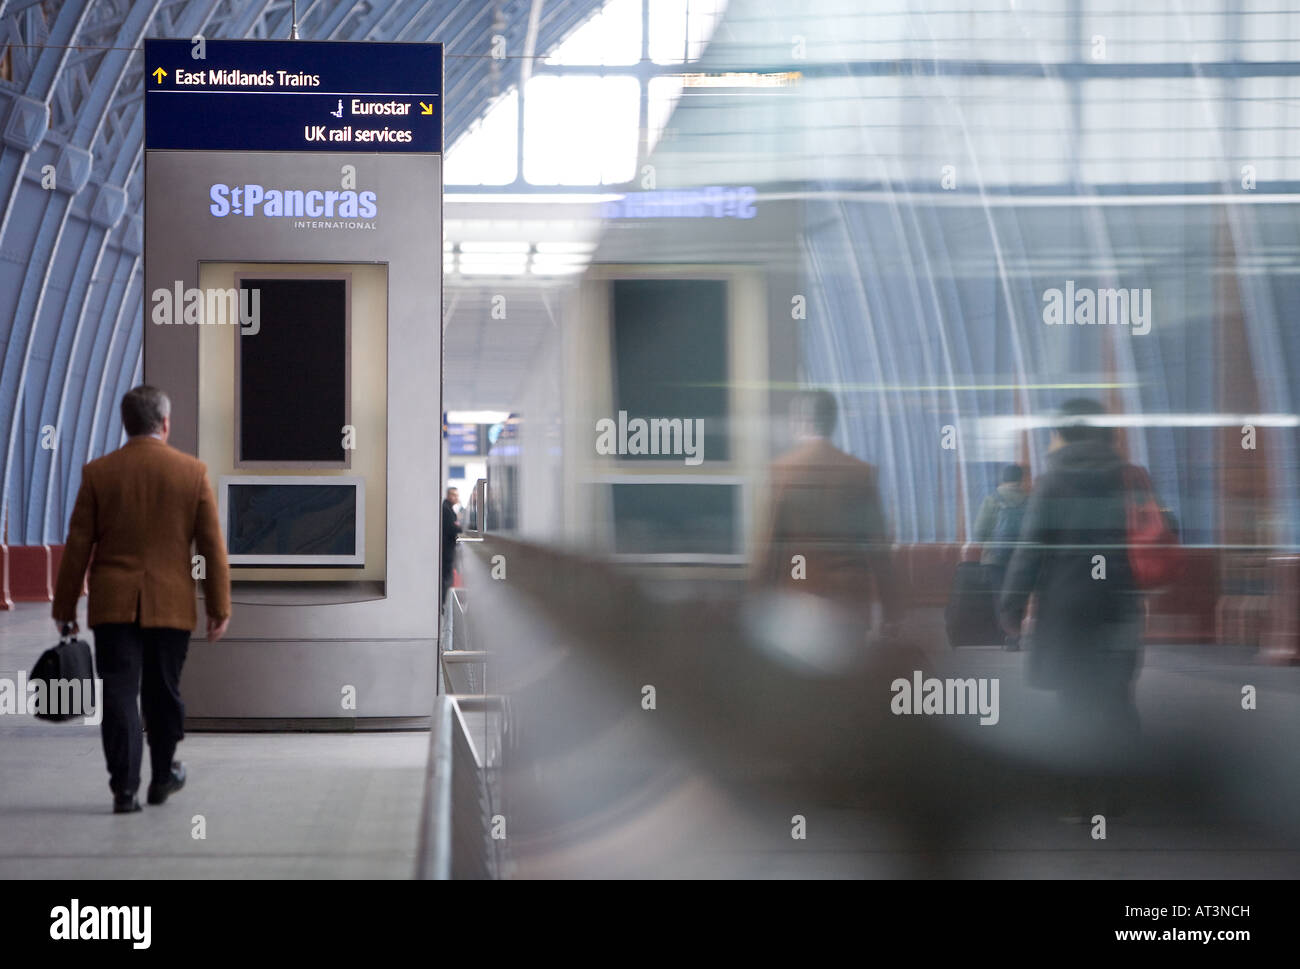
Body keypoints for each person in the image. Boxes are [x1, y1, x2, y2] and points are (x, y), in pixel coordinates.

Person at [51, 386, 231, 814]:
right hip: (171, 605)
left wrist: (64, 609)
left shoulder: (99, 473)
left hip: (114, 606)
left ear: (124, 422)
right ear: (165, 423)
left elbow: (78, 546)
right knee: (162, 691)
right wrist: (218, 607)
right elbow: (211, 547)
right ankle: (163, 775)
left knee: (118, 692)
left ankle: (124, 790)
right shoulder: (192, 472)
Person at [998, 398, 1147, 816]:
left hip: (1068, 607)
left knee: (1073, 703)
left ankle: (1081, 799)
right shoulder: (1129, 477)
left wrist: (1011, 604)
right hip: (1118, 604)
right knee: (1118, 698)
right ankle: (1130, 792)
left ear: (1065, 433)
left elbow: (1030, 550)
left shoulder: (1052, 482)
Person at [755, 389, 901, 629]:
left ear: (799, 421)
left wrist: (757, 601)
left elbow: (770, 546)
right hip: (850, 600)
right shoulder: (860, 472)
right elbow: (877, 547)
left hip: (799, 596)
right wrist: (892, 609)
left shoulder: (781, 471)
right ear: (832, 422)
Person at [973, 464, 1029, 649]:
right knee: (1018, 596)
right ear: (1021, 479)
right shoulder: (1029, 501)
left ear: (1002, 479)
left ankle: (1007, 634)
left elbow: (979, 533)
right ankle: (1016, 634)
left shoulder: (992, 500)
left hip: (995, 558)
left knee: (1000, 596)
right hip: (1021, 558)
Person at [441, 486, 462, 648]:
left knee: (447, 576)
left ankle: (443, 603)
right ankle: (443, 604)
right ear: (449, 495)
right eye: (454, 495)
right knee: (446, 577)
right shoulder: (446, 509)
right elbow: (451, 528)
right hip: (446, 549)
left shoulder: (448, 509)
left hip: (447, 548)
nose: (456, 497)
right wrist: (460, 527)